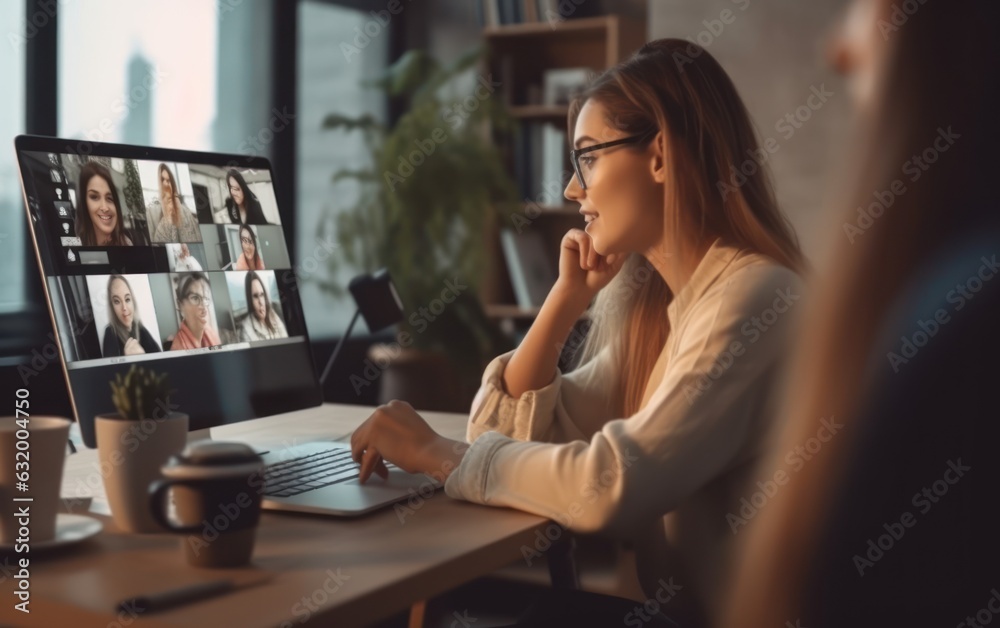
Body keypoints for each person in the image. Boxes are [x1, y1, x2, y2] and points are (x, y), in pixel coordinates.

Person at [348, 39, 806, 626]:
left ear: (661, 154)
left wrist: (435, 454)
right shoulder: (671, 312)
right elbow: (498, 430)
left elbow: (609, 485)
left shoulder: (754, 298)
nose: (571, 189)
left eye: (588, 157)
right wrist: (565, 301)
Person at [724, 1, 1000, 627]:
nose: (837, 49)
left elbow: (620, 483)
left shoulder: (966, 320)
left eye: (588, 156)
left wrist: (465, 461)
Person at [100, 275, 161, 357]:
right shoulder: (110, 334)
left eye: (127, 299)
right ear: (112, 307)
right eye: (117, 301)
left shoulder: (141, 329)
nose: (124, 308)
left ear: (133, 301)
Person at [75, 162, 133, 246]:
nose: (105, 207)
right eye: (94, 197)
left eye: (110, 198)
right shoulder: (74, 245)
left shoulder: (126, 243)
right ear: (84, 203)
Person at [150, 163, 202, 243]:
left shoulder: (186, 212)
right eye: (162, 180)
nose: (166, 184)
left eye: (168, 180)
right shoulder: (161, 230)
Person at [170, 272, 220, 350]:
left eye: (205, 298)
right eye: (195, 298)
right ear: (180, 305)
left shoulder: (211, 332)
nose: (204, 307)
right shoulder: (178, 349)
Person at [240, 271, 287, 342]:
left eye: (262, 295)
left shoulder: (272, 314)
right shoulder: (246, 329)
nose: (261, 302)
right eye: (255, 296)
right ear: (250, 300)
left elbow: (285, 338)